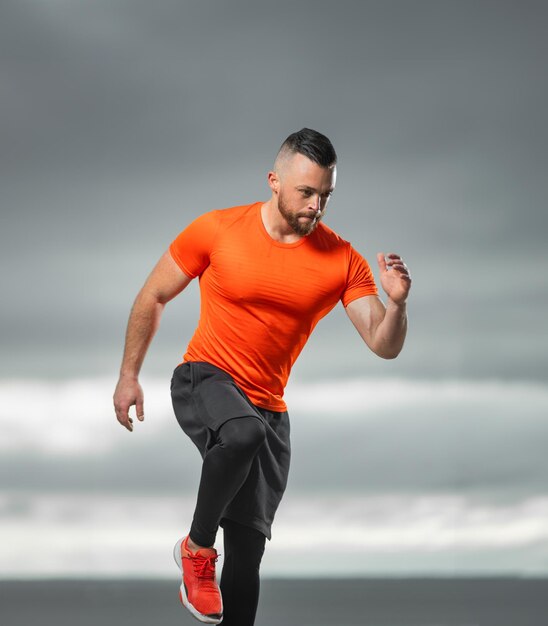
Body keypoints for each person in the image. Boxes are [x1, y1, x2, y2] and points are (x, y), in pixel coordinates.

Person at [113, 128, 411, 625]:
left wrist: (398, 304)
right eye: (307, 192)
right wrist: (129, 375)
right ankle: (196, 549)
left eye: (326, 195)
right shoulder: (217, 229)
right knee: (241, 432)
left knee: (248, 554)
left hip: (269, 410)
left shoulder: (342, 260)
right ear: (274, 181)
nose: (317, 206)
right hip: (204, 378)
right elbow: (153, 296)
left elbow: (383, 343)